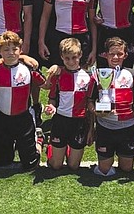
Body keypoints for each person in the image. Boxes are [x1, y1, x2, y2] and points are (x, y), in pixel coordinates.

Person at [0, 31, 47, 171]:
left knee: (31, 165)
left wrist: (55, 71)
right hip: (1, 119)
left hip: (24, 119)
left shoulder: (29, 69)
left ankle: (38, 139)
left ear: (21, 49)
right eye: (6, 49)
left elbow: (47, 86)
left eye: (15, 49)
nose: (10, 53)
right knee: (2, 162)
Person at [91, 37, 134, 176]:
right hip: (105, 127)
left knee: (127, 169)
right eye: (112, 54)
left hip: (127, 128)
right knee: (104, 170)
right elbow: (89, 101)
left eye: (119, 54)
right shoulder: (98, 75)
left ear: (125, 55)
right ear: (105, 55)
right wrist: (95, 111)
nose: (115, 57)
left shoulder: (133, 74)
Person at [44, 38, 96, 171]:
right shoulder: (58, 74)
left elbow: (90, 104)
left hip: (80, 123)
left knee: (74, 166)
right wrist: (51, 107)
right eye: (67, 58)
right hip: (61, 121)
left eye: (74, 57)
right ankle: (50, 147)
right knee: (56, 165)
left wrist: (90, 130)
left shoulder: (89, 77)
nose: (71, 62)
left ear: (80, 55)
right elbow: (52, 99)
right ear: (61, 57)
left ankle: (67, 150)